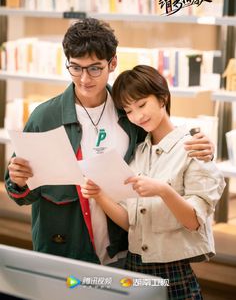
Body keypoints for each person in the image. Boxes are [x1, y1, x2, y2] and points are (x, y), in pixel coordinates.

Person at [5, 18, 214, 266]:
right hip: (64, 251)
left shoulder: (129, 113)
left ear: (112, 62)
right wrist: (18, 181)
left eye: (94, 68)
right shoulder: (45, 117)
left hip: (125, 251)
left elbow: (164, 148)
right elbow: (21, 194)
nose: (84, 79)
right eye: (75, 68)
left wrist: (201, 146)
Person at [81, 65, 225, 299]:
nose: (137, 116)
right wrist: (99, 195)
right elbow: (131, 224)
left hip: (172, 271)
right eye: (128, 110)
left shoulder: (194, 149)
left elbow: (194, 222)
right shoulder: (137, 153)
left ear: (162, 98)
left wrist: (163, 191)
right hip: (134, 266)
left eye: (141, 104)